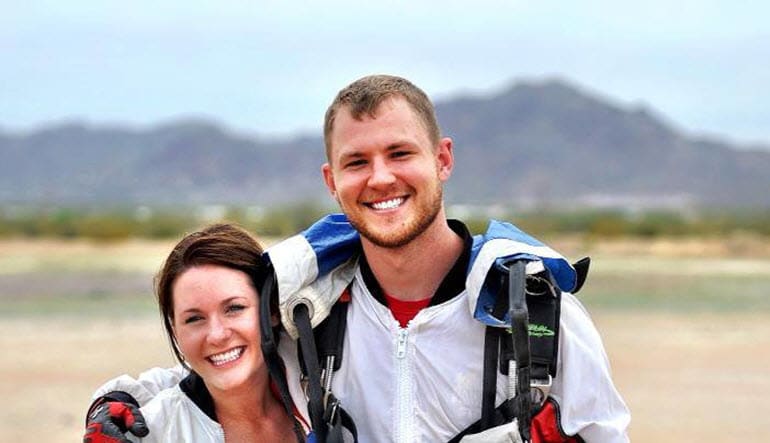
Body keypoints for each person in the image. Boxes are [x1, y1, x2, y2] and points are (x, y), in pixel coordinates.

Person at [85, 75, 630, 442]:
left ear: (442, 159)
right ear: (331, 181)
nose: (380, 178)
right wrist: (116, 403)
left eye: (399, 153)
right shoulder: (311, 313)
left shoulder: (535, 315)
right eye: (356, 162)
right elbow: (216, 360)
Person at [84, 223, 310, 442]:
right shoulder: (152, 433)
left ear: (270, 310)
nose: (217, 335)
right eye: (194, 319)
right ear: (175, 332)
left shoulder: (326, 388)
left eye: (234, 308)